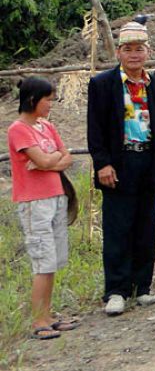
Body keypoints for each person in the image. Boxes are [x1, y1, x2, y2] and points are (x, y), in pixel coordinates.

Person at [87, 19, 155, 316]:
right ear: (119, 53)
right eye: (128, 49)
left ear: (147, 52)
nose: (134, 55)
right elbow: (95, 129)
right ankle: (116, 290)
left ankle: (142, 287)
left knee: (144, 227)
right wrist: (103, 163)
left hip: (147, 160)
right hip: (118, 163)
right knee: (117, 228)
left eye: (139, 49)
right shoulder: (102, 85)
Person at [9, 77, 78, 339]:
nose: (51, 104)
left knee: (54, 259)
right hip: (34, 201)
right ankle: (39, 320)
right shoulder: (18, 129)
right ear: (32, 100)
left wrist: (48, 162)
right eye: (47, 99)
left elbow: (63, 157)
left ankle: (48, 313)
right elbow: (46, 159)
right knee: (42, 260)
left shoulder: (46, 126)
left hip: (55, 196)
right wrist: (49, 161)